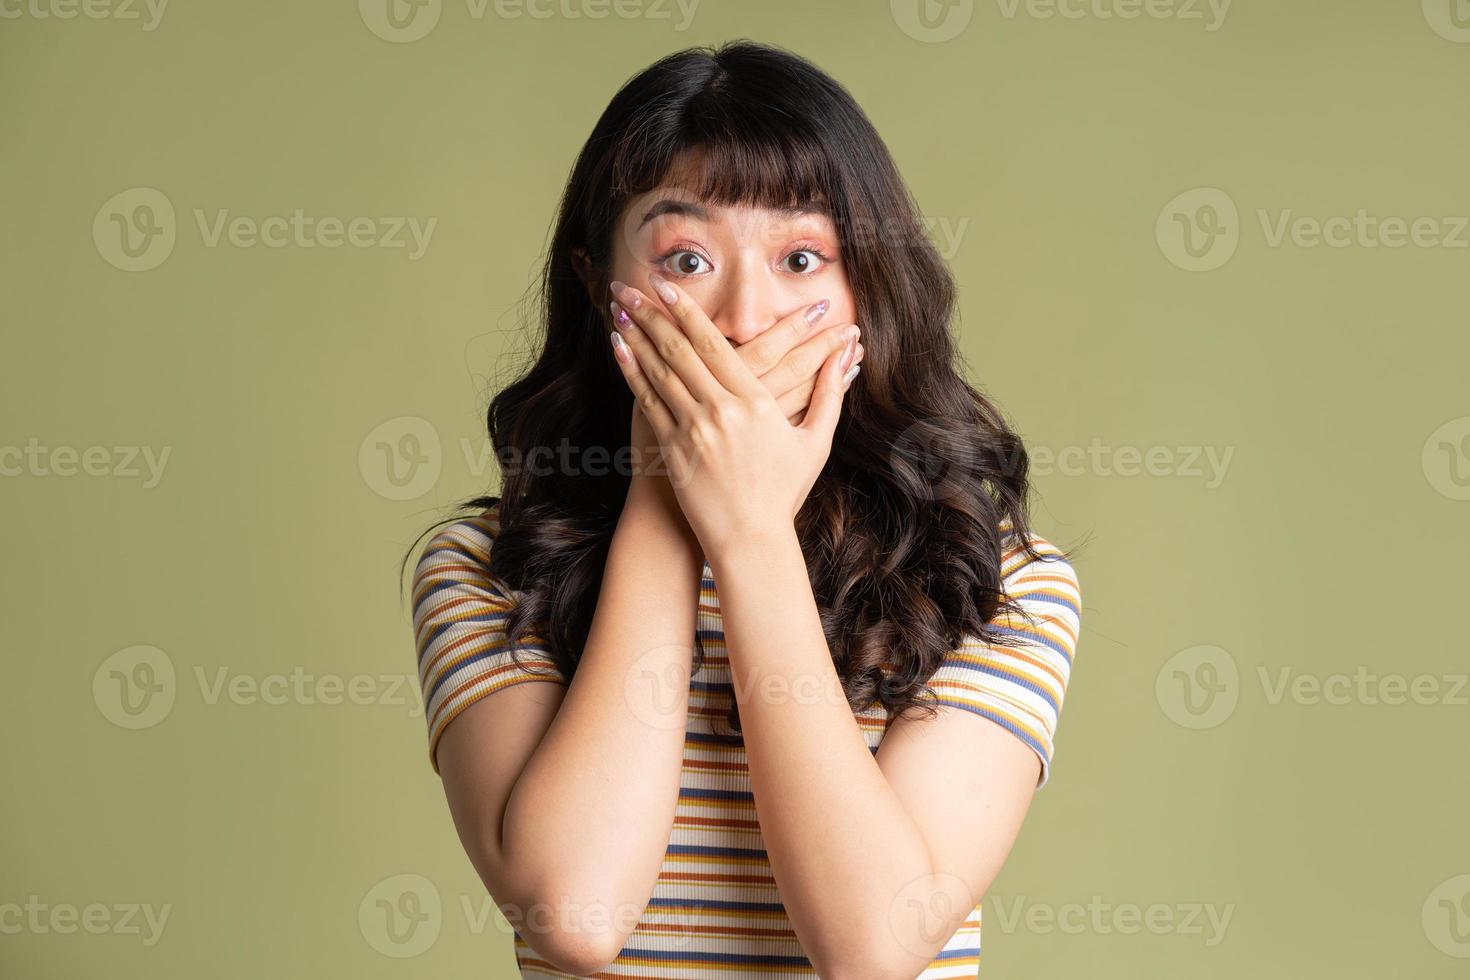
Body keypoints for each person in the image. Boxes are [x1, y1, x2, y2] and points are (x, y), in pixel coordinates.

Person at [408, 39, 1083, 979]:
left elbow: (875, 944)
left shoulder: (997, 582)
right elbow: (573, 913)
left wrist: (753, 535)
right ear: (598, 285)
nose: (745, 318)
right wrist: (664, 495)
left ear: (869, 289)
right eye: (686, 257)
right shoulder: (487, 565)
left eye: (802, 256)